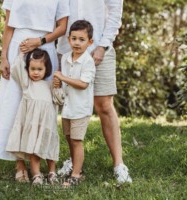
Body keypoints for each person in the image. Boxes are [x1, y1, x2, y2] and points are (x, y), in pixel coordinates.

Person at [56, 0, 132, 184]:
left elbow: (115, 12)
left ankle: (119, 165)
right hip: (67, 49)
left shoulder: (100, 47)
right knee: (69, 105)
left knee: (104, 105)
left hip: (99, 49)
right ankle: (74, 162)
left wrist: (102, 46)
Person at [0, 0, 69, 183]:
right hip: (18, 49)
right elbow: (8, 25)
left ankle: (43, 158)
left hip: (44, 48)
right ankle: (20, 163)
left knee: (44, 106)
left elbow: (62, 27)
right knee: (15, 105)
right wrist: (4, 56)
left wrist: (39, 41)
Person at [6, 49, 59, 185]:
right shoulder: (27, 84)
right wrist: (22, 55)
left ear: (46, 69)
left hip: (47, 124)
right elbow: (17, 68)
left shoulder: (49, 85)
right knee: (33, 149)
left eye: (40, 69)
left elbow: (59, 99)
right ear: (28, 69)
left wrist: (58, 87)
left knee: (49, 147)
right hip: (33, 124)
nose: (35, 72)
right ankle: (36, 175)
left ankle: (52, 172)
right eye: (32, 69)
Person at [53, 20, 95, 186]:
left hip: (80, 108)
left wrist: (63, 78)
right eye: (74, 38)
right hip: (68, 108)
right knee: (69, 138)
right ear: (69, 39)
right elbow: (63, 84)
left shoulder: (88, 61)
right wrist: (58, 83)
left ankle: (76, 175)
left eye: (82, 39)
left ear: (90, 42)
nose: (77, 43)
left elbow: (83, 84)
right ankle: (75, 167)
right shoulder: (65, 58)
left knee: (77, 141)